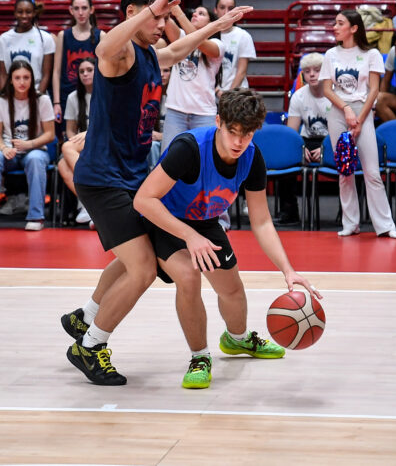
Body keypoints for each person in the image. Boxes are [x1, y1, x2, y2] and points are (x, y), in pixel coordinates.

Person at [62, 0, 249, 386]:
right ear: (134, 13)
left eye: (165, 18)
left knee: (134, 256)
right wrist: (152, 7)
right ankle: (90, 346)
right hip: (104, 180)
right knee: (143, 268)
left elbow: (178, 50)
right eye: (158, 17)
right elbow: (102, 49)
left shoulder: (148, 54)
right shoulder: (119, 54)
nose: (163, 25)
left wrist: (216, 26)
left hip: (132, 178)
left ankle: (85, 318)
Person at [132, 89, 320, 389]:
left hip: (203, 221)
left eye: (247, 134)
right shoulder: (189, 148)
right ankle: (199, 357)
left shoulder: (252, 157)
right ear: (218, 122)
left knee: (231, 288)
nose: (238, 142)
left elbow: (261, 221)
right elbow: (143, 200)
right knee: (189, 277)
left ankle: (237, 339)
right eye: (232, 132)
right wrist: (189, 236)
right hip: (163, 218)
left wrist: (288, 270)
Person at [320, 11, 396, 238]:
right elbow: (327, 89)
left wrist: (360, 118)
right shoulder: (330, 54)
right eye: (335, 22)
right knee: (344, 171)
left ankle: (385, 226)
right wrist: (346, 110)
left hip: (363, 112)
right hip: (338, 112)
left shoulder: (371, 54)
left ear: (354, 28)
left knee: (372, 172)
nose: (335, 27)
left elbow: (374, 90)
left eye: (340, 23)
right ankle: (350, 223)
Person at [0, 59, 55, 232]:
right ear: (11, 80)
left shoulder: (42, 100)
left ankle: (36, 216)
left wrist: (29, 144)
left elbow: (50, 134)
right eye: (17, 78)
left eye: (26, 77)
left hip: (35, 149)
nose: (22, 82)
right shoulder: (0, 101)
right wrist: (4, 148)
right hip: (9, 151)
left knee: (35, 160)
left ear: (32, 79)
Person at [161, 5, 225, 152]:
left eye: (201, 14)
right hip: (176, 111)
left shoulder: (218, 45)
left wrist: (179, 13)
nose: (195, 14)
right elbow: (166, 20)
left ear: (211, 24)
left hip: (203, 114)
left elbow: (199, 41)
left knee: (204, 159)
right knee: (168, 159)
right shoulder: (182, 37)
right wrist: (165, 3)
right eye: (194, 12)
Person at [279, 52, 332, 225]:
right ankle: (290, 212)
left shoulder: (335, 94)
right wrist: (300, 150)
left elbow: (342, 132)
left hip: (331, 140)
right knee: (286, 159)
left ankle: (346, 213)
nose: (312, 75)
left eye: (317, 70)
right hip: (307, 140)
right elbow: (291, 134)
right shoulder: (299, 96)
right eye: (307, 71)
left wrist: (325, 149)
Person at [51, 0, 103, 120]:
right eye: (76, 8)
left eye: (84, 8)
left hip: (93, 95)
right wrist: (56, 102)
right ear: (71, 10)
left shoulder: (101, 36)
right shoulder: (63, 36)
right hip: (67, 95)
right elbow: (57, 72)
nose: (80, 13)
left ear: (91, 10)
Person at [57, 58, 95, 225]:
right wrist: (76, 140)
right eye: (81, 71)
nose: (85, 74)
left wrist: (88, 134)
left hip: (101, 141)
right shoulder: (73, 97)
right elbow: (70, 130)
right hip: (80, 144)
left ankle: (89, 203)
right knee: (62, 164)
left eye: (89, 70)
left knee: (66, 147)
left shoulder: (106, 94)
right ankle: (90, 204)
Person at [0, 0, 55, 95]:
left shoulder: (45, 38)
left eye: (28, 12)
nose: (24, 16)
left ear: (34, 13)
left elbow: (46, 76)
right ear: (15, 13)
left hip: (36, 92)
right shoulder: (4, 39)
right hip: (12, 94)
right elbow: (3, 75)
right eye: (20, 12)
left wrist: (37, 98)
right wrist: (5, 97)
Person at [212, 0, 256, 94]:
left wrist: (228, 95)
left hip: (237, 95)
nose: (226, 12)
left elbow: (241, 72)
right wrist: (216, 90)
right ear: (215, 10)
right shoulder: (208, 35)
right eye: (222, 7)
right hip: (211, 93)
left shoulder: (243, 36)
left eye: (230, 8)